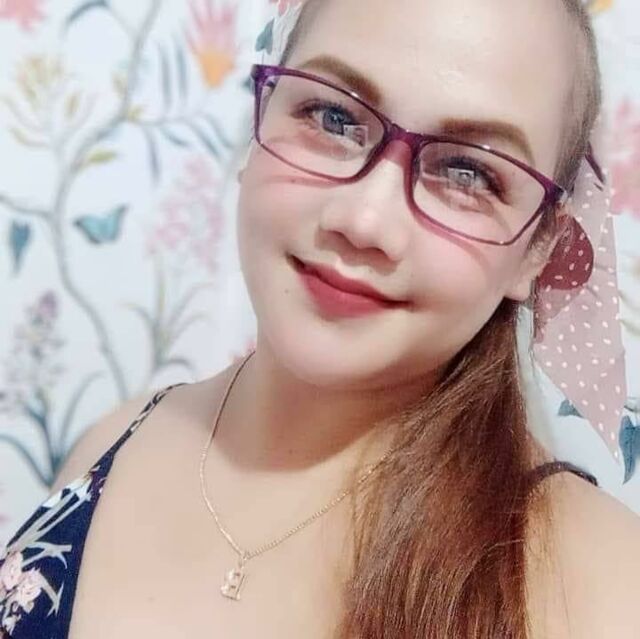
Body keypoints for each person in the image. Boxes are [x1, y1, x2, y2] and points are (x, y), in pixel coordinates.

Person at [1, 0, 640, 637]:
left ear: (538, 250)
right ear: (261, 116)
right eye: (333, 117)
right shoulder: (111, 445)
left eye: (468, 172)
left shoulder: (603, 589)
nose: (364, 222)